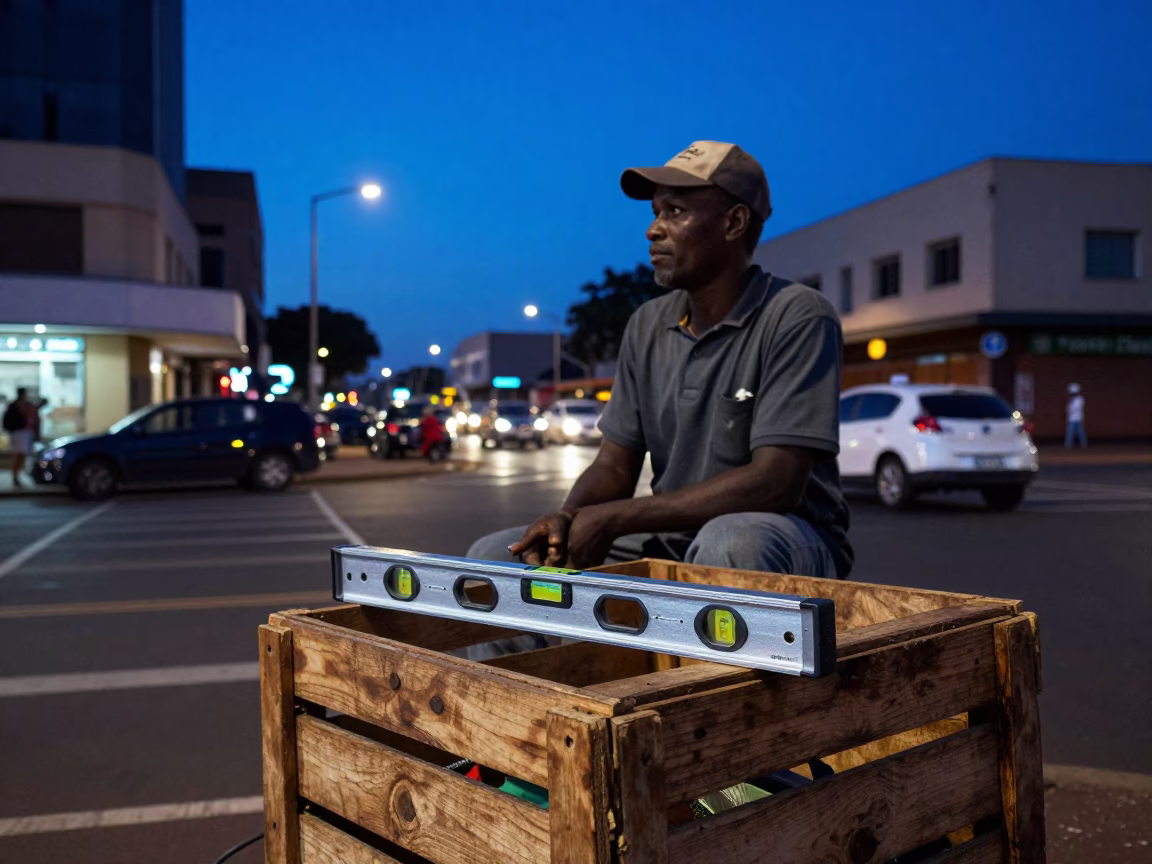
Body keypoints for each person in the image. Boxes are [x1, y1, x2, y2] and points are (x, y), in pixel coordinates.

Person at [467, 141, 852, 583]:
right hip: (669, 535)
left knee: (732, 541)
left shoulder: (797, 314)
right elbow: (614, 465)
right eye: (654, 213)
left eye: (675, 212)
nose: (653, 230)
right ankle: (576, 654)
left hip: (783, 537)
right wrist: (568, 518)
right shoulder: (647, 323)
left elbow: (774, 483)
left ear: (733, 222)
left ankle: (714, 656)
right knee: (496, 558)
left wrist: (613, 518)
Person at [3, 387, 37, 488]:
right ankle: (15, 476)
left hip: (22, 433)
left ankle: (16, 476)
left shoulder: (20, 405)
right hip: (19, 433)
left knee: (21, 455)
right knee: (19, 454)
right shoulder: (16, 406)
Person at [1065, 383, 1086, 449]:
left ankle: (1083, 445)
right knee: (1070, 433)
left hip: (1077, 418)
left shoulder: (1080, 399)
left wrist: (1069, 409)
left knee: (1080, 433)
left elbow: (1074, 408)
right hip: (1071, 419)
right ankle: (1068, 445)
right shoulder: (1071, 399)